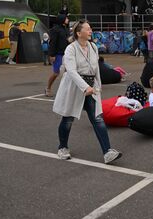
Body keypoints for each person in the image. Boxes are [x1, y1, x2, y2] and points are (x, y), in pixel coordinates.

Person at [52, 20, 122, 164]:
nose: (91, 31)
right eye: (88, 29)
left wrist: (98, 86)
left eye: (90, 28)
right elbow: (71, 70)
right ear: (79, 33)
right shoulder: (71, 49)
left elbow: (95, 68)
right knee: (68, 118)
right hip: (75, 86)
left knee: (98, 118)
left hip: (91, 87)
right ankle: (62, 147)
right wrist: (85, 87)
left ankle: (107, 152)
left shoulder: (93, 47)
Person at [46, 14, 69, 97]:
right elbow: (52, 42)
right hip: (58, 54)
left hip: (66, 54)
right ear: (62, 19)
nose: (67, 19)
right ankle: (48, 88)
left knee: (69, 72)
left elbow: (66, 41)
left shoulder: (65, 29)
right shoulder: (55, 30)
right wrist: (52, 55)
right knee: (56, 73)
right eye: (66, 18)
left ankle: (67, 90)